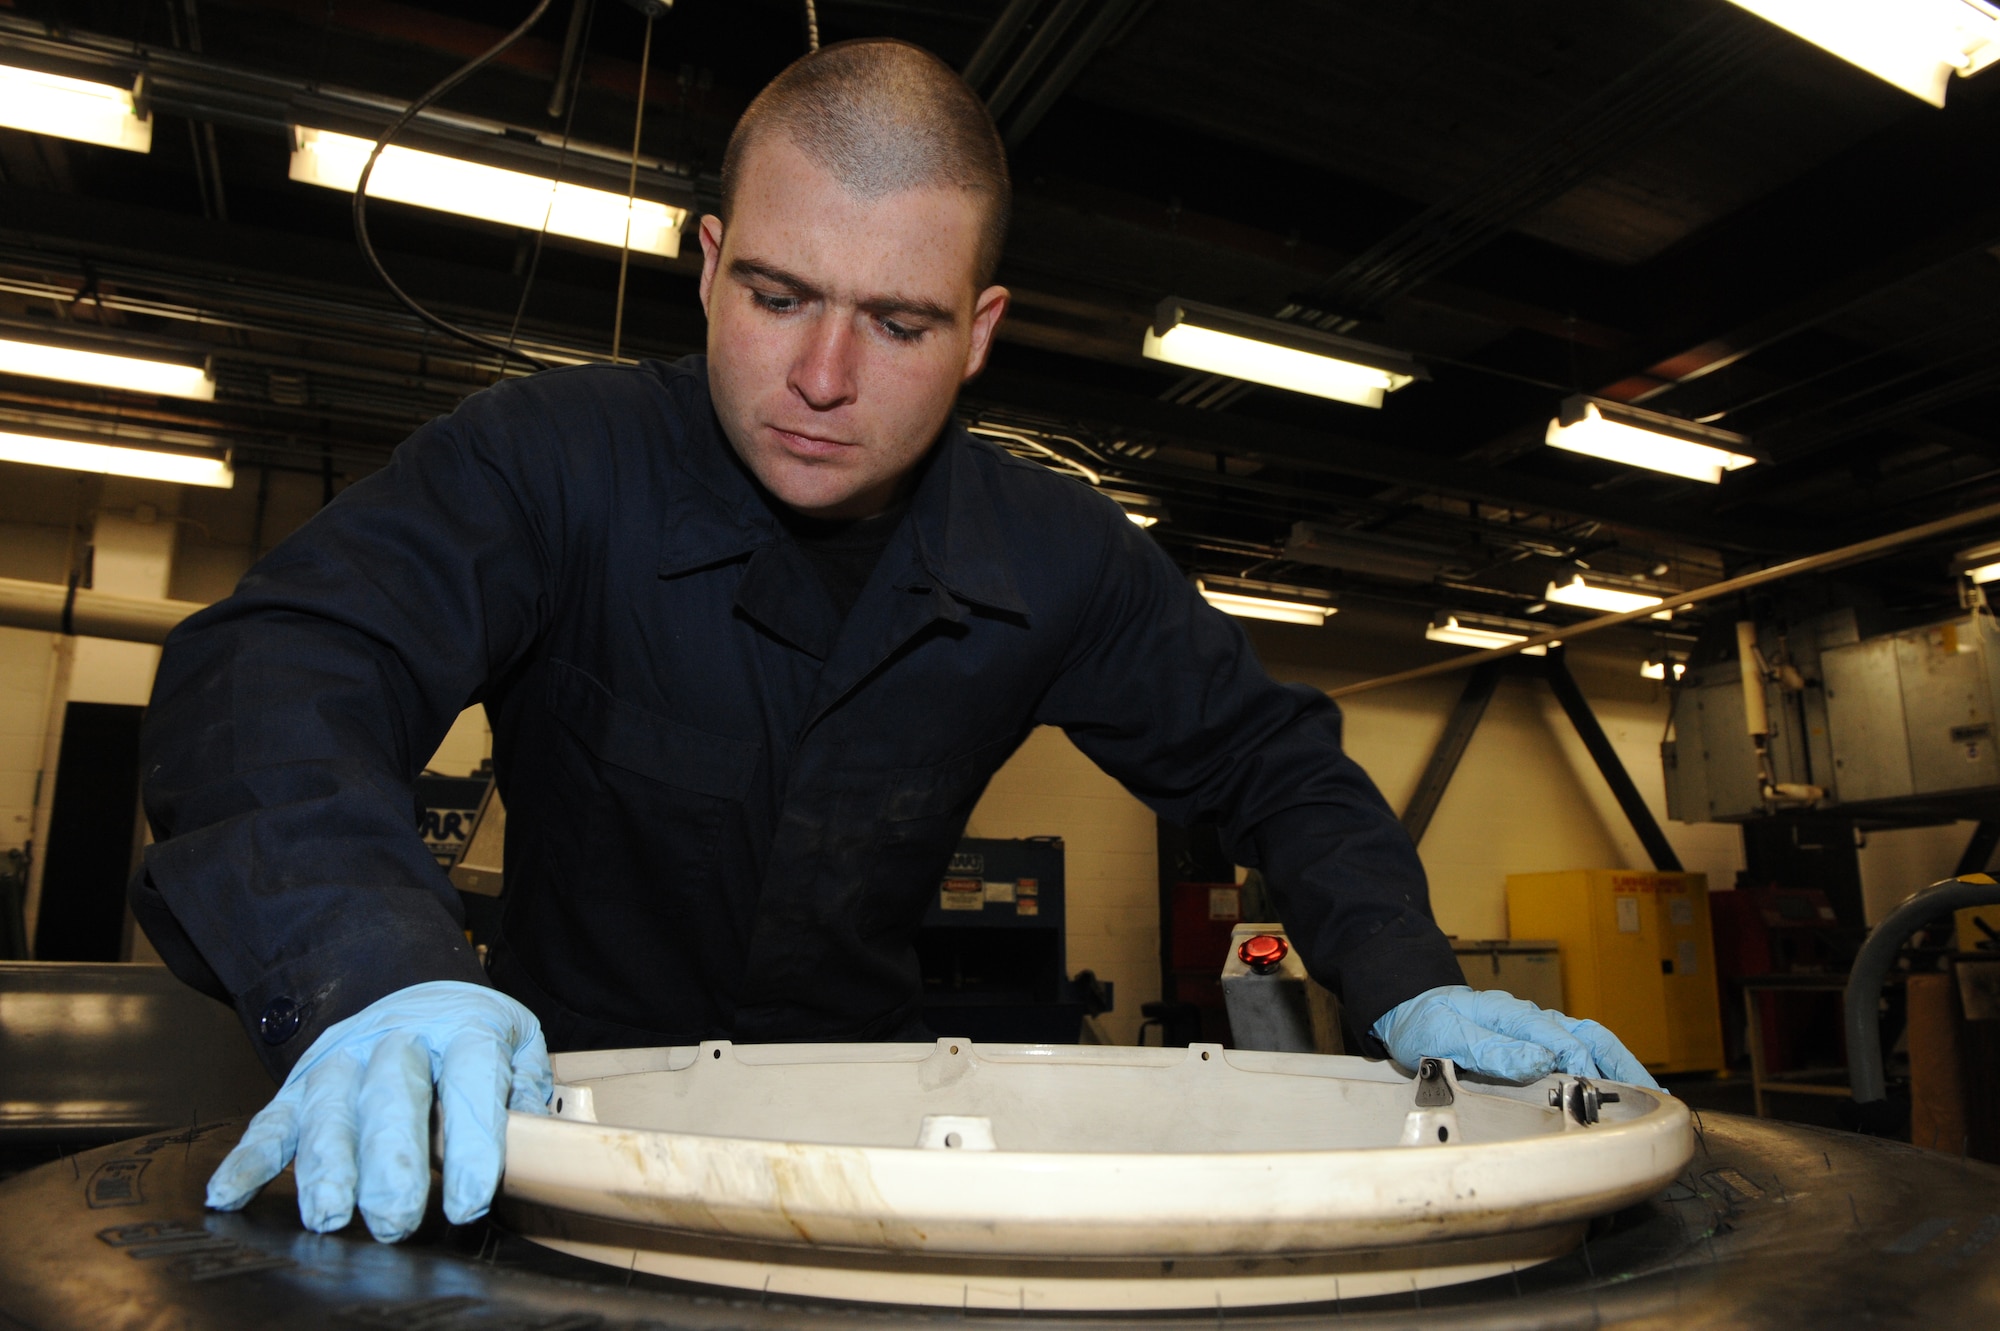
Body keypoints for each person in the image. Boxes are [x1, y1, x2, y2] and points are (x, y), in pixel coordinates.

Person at [133, 39, 1657, 1246]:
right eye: (779, 295)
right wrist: (370, 970)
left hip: (861, 1139)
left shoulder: (1053, 556)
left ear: (983, 330)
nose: (821, 375)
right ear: (711, 260)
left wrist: (1405, 977)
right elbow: (280, 672)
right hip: (547, 1128)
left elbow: (1272, 758)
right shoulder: (545, 464)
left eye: (901, 324)